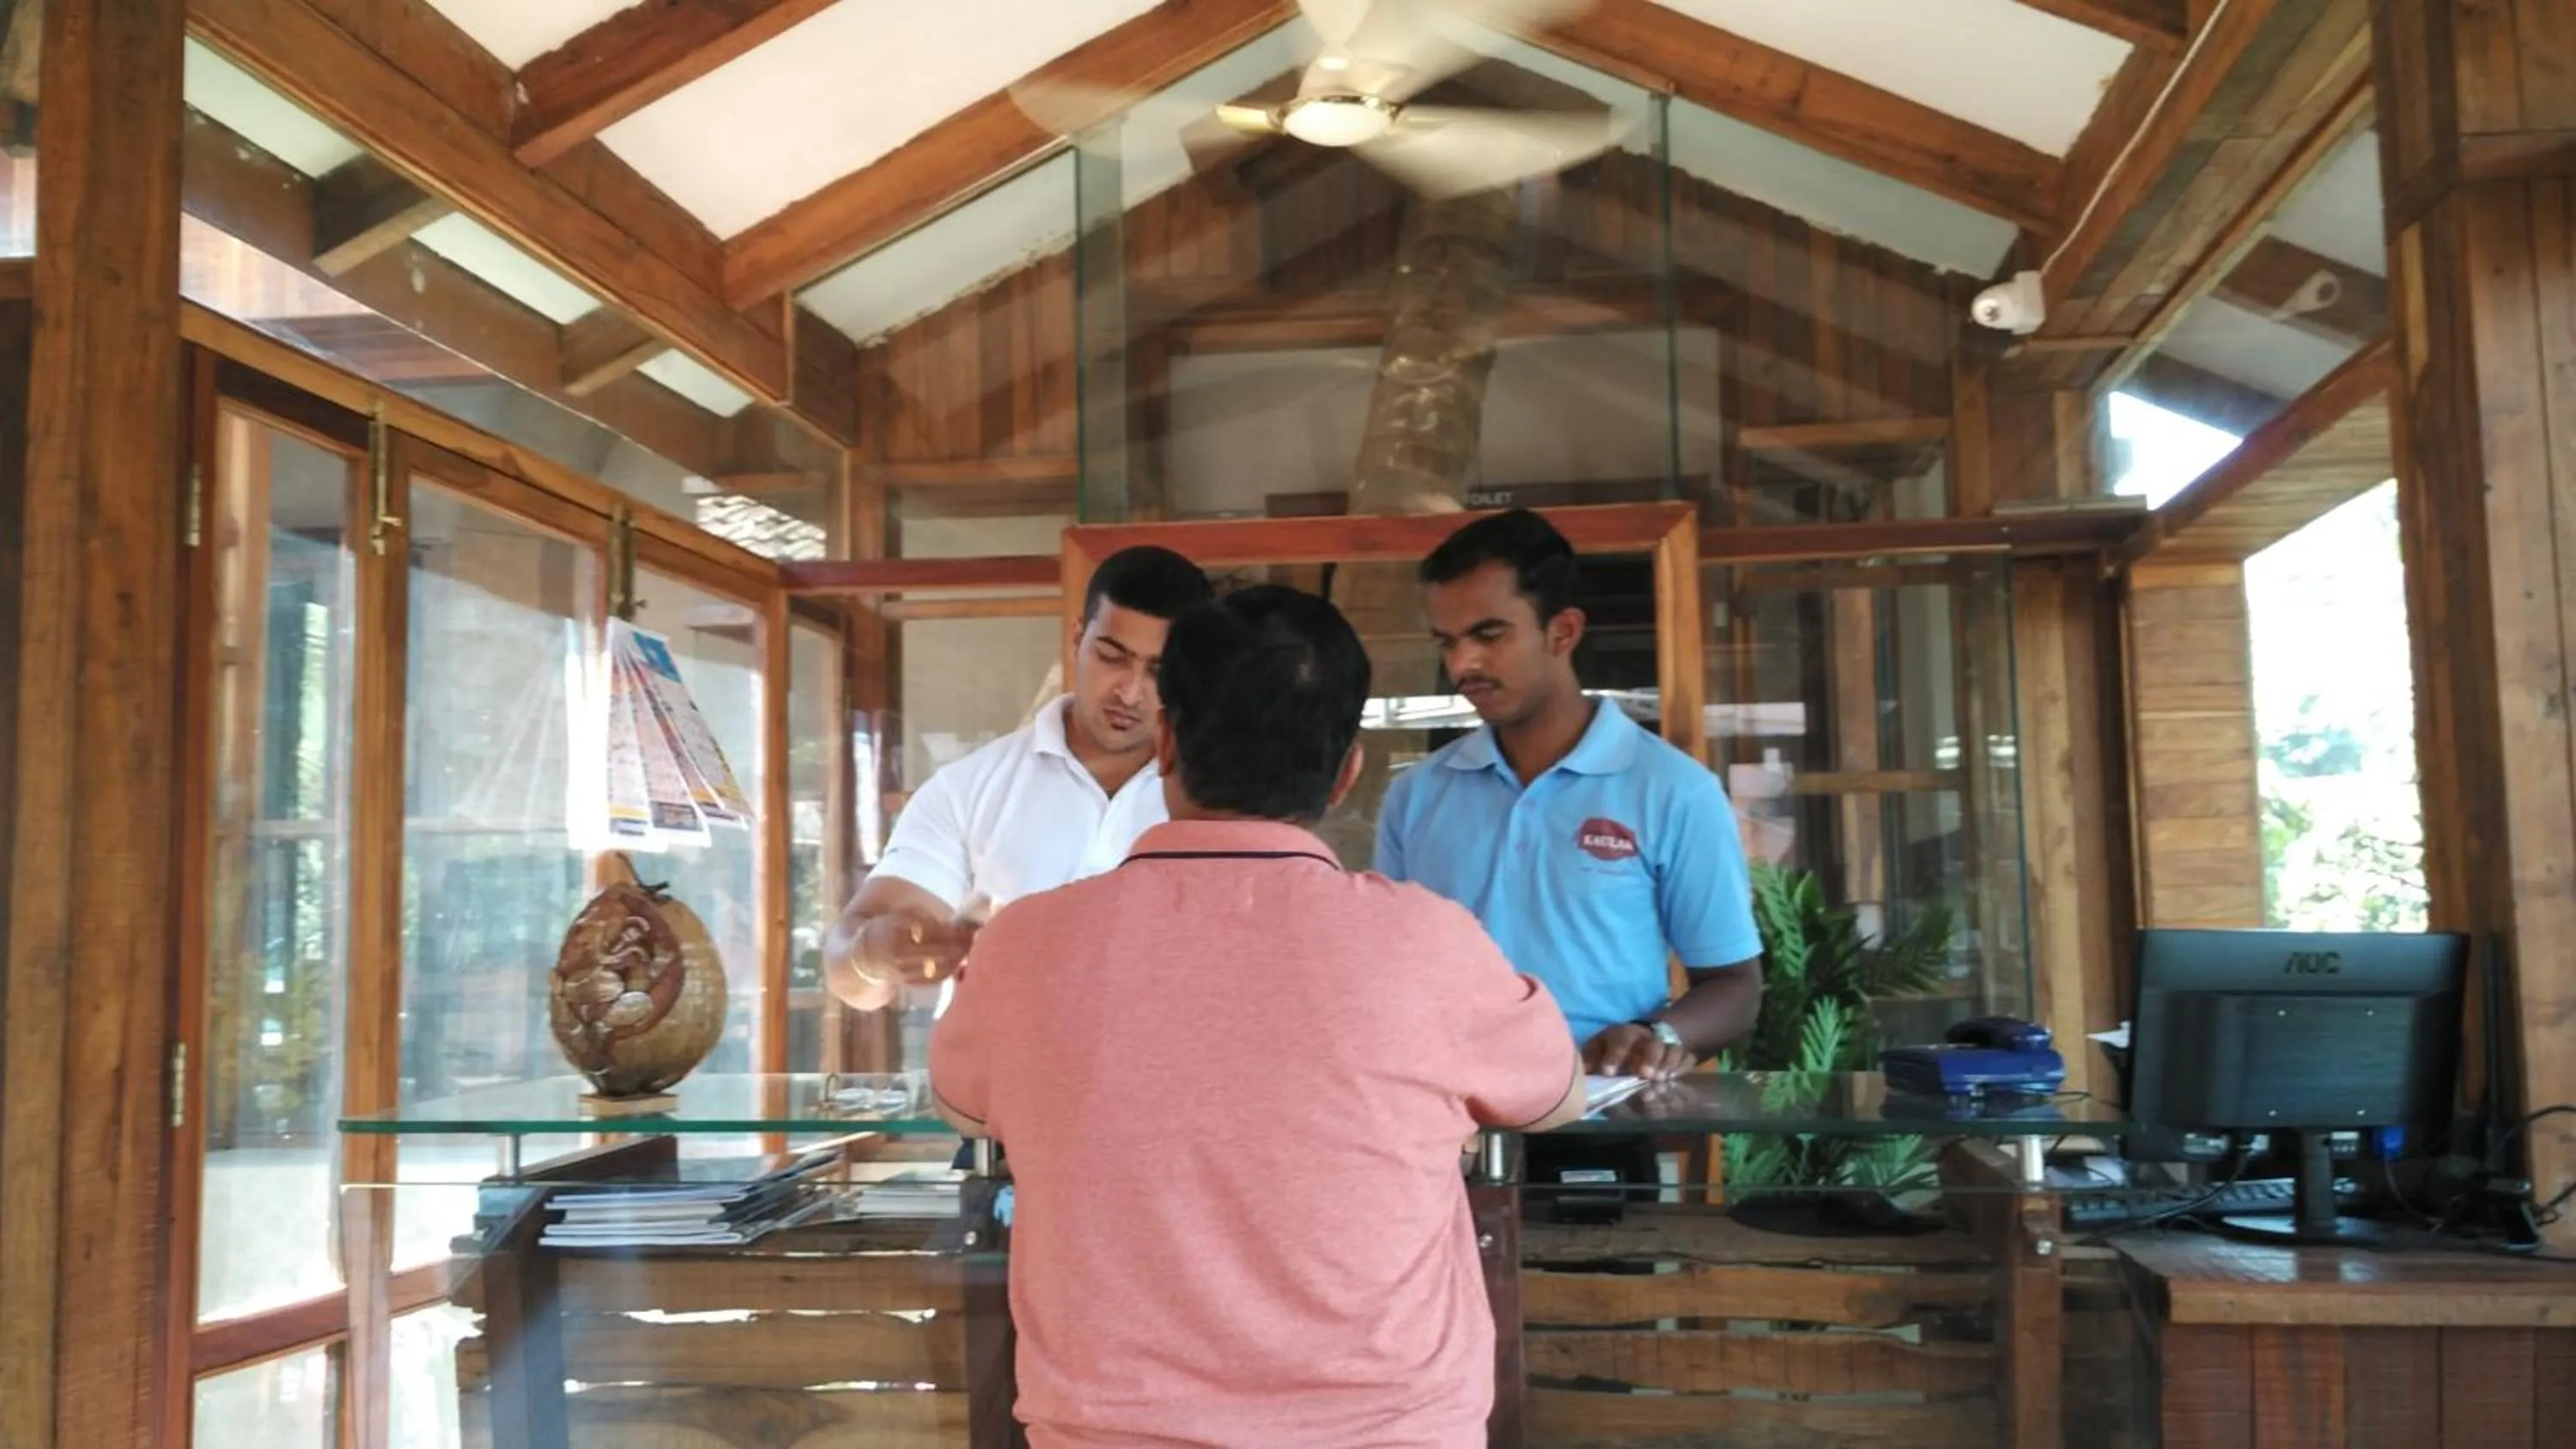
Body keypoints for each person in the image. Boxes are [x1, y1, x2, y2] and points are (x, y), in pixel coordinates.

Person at [929, 585, 1584, 1448]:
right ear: (1347, 770)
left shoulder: (1027, 944)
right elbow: (1559, 1097)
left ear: (1165, 741)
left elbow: (961, 1105)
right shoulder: (1428, 941)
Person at [1376, 508, 1764, 1190]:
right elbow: (1387, 976)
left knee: (1600, 1267)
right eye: (1447, 641)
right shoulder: (1417, 796)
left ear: (1563, 631)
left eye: (1488, 634)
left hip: (1598, 1123)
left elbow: (1734, 986)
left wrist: (1659, 1037)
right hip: (1441, 1135)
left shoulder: (1671, 791)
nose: (1462, 664)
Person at [822, 545, 1212, 1010]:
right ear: (1077, 638)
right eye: (1111, 656)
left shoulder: (1215, 798)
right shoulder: (970, 789)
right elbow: (848, 974)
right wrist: (873, 955)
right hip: (998, 1058)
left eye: (1158, 671)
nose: (1129, 692)